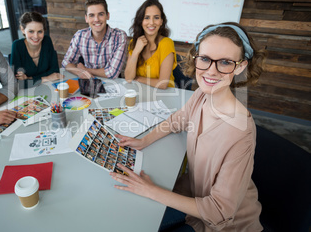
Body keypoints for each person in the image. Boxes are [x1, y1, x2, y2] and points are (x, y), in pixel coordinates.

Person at [110, 22, 267, 231]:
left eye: (225, 62)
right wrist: (144, 140)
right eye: (205, 59)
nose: (211, 71)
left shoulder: (240, 131)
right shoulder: (202, 94)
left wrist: (150, 190)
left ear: (240, 66)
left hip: (225, 225)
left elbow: (220, 211)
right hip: (193, 196)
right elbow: (179, 119)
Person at [62, 0, 127, 79]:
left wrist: (85, 69)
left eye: (101, 14)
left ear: (107, 16)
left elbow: (112, 73)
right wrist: (80, 72)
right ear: (86, 18)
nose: (96, 19)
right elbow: (66, 62)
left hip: (112, 85)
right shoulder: (80, 36)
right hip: (87, 81)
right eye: (91, 15)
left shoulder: (119, 36)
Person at [124, 0, 177, 89]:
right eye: (147, 17)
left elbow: (163, 84)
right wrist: (136, 52)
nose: (151, 23)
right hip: (142, 93)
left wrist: (138, 78)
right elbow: (129, 78)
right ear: (141, 21)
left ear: (161, 21)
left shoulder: (166, 43)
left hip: (165, 96)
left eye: (156, 18)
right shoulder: (135, 42)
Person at [10, 12, 63, 88]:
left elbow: (55, 71)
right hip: (27, 94)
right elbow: (18, 83)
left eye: (40, 31)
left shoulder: (47, 41)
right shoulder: (17, 46)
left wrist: (29, 78)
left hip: (47, 87)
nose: (36, 36)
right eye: (31, 31)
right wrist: (45, 78)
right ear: (22, 29)